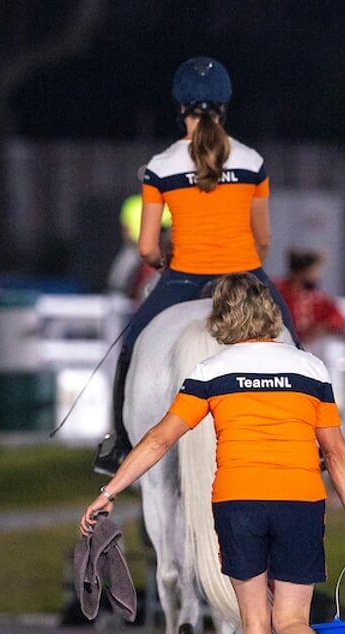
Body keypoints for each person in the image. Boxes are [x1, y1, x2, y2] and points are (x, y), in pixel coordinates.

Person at [80, 273, 345, 634]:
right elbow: (339, 454)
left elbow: (158, 440)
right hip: (301, 502)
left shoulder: (212, 369)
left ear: (223, 318)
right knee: (293, 621)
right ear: (270, 313)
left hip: (240, 504)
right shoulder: (311, 368)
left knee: (256, 623)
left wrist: (108, 491)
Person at [95, 56, 300, 476]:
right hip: (245, 275)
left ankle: (118, 442)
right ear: (225, 106)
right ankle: (313, 439)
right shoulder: (251, 161)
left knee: (132, 346)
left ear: (180, 106)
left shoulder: (161, 166)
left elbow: (148, 246)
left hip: (183, 279)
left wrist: (158, 260)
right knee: (293, 339)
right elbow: (263, 238)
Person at [275, 249, 345, 348]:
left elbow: (339, 319)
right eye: (313, 271)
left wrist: (323, 327)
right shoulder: (278, 292)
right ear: (301, 272)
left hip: (309, 347)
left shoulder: (319, 298)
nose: (317, 276)